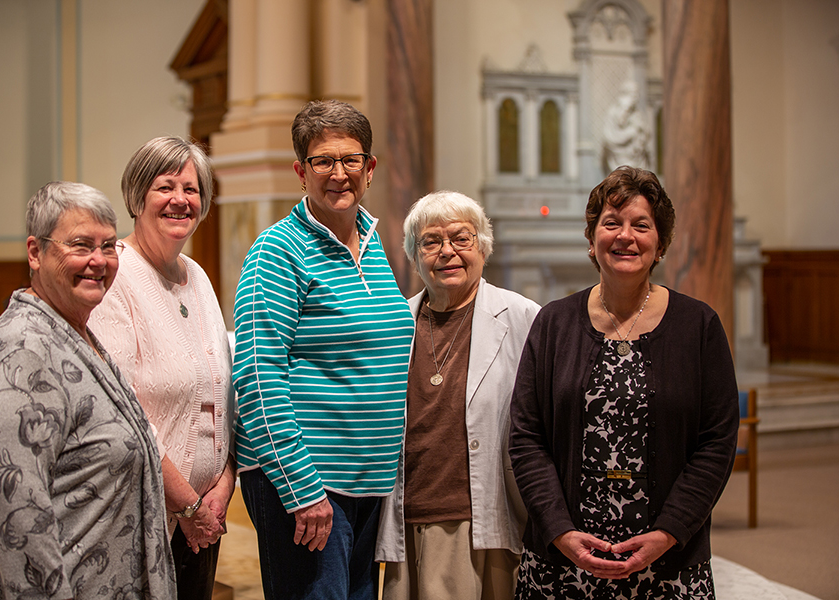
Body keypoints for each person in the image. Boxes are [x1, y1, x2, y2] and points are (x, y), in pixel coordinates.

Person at [509, 166, 739, 598]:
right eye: (611, 223)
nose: (625, 236)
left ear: (660, 242)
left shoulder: (698, 325)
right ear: (592, 238)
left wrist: (669, 531)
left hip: (668, 563)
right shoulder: (553, 323)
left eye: (641, 225)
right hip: (563, 561)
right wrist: (559, 531)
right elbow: (526, 437)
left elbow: (717, 441)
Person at [0, 182, 176, 599]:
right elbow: (22, 524)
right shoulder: (22, 353)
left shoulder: (73, 332)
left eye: (108, 245)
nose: (98, 261)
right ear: (35, 252)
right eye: (80, 245)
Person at [232, 99, 415, 600]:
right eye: (323, 161)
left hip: (366, 483)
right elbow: (256, 376)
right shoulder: (277, 249)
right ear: (301, 171)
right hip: (308, 484)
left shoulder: (375, 243)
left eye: (351, 159)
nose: (339, 173)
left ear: (370, 168)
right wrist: (301, 487)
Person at [89, 137, 235, 600]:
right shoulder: (114, 274)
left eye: (190, 190)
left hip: (205, 513)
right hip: (141, 513)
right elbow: (122, 412)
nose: (179, 200)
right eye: (164, 187)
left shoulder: (197, 276)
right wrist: (188, 503)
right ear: (137, 197)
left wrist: (223, 486)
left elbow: (220, 397)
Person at [375, 191, 541, 600]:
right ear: (415, 255)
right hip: (405, 515)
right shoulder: (397, 320)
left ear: (482, 246)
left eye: (461, 239)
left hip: (484, 519)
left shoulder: (523, 317)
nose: (447, 251)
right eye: (431, 242)